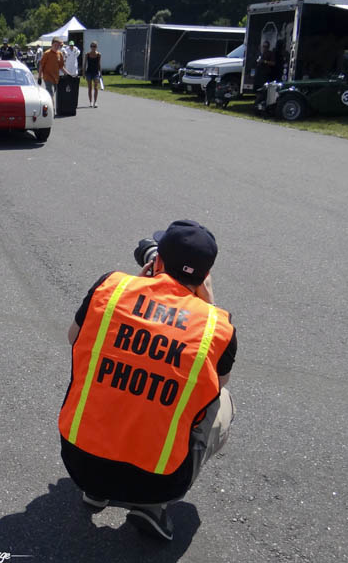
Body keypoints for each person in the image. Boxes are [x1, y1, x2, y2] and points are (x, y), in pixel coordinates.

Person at [59, 220, 238, 541]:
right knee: (220, 399)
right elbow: (216, 383)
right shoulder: (217, 325)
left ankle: (95, 491)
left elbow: (74, 338)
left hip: (78, 460)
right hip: (159, 480)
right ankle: (153, 507)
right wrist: (207, 305)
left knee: (102, 365)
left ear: (156, 262)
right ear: (204, 278)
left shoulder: (111, 287)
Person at [38, 38, 69, 111]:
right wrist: (39, 77)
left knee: (53, 93)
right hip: (47, 77)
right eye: (55, 45)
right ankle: (52, 110)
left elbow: (61, 67)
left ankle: (50, 106)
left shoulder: (60, 54)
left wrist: (69, 75)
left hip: (56, 78)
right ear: (52, 45)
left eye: (58, 45)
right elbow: (41, 66)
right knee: (50, 93)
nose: (57, 47)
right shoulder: (47, 53)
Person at [83, 40, 101, 108]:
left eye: (94, 46)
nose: (93, 47)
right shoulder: (87, 54)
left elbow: (99, 64)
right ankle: (90, 102)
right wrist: (83, 73)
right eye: (92, 46)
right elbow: (85, 64)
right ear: (90, 47)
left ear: (96, 47)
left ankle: (95, 102)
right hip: (89, 72)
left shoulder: (99, 54)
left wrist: (100, 73)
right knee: (90, 87)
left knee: (96, 87)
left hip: (96, 72)